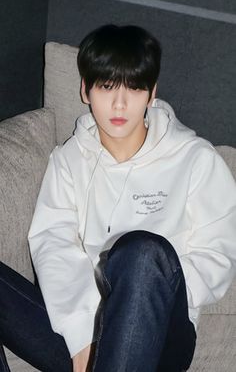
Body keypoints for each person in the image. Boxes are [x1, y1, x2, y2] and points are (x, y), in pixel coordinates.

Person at [0, 24, 236, 372]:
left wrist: (138, 301)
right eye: (107, 86)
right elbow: (53, 244)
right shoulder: (68, 161)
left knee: (141, 253)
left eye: (135, 87)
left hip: (163, 335)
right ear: (85, 90)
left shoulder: (196, 159)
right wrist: (83, 334)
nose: (120, 103)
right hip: (84, 331)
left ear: (151, 93)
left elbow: (217, 256)